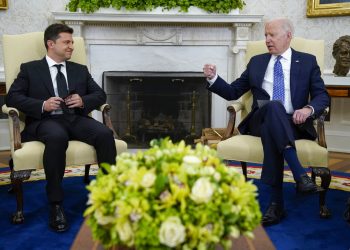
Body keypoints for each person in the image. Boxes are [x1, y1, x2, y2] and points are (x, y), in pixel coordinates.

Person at [203, 18, 330, 226]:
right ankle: (300, 175)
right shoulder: (257, 61)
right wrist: (213, 78)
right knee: (272, 106)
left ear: (288, 36)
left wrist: (308, 109)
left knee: (275, 129)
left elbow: (322, 96)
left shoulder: (307, 61)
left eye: (272, 35)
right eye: (265, 35)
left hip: (295, 123)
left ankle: (276, 204)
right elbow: (233, 91)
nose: (267, 40)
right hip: (260, 121)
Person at [6, 23, 117, 232]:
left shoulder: (79, 70)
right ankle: (56, 204)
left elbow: (100, 95)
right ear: (51, 44)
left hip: (75, 119)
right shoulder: (30, 69)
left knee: (104, 133)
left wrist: (82, 100)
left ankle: (108, 197)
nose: (71, 46)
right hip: (45, 121)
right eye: (66, 42)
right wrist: (42, 105)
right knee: (57, 137)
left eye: (72, 42)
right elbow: (13, 97)